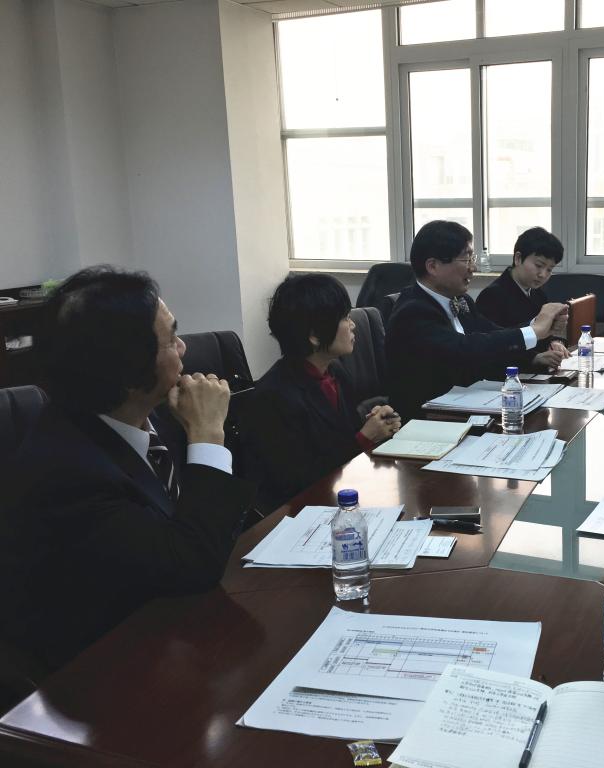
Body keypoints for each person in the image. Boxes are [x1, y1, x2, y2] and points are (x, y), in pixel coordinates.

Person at [0, 267, 254, 689]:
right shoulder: (66, 472)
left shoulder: (152, 417)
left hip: (174, 630)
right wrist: (208, 435)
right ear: (128, 369)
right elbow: (191, 566)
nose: (183, 347)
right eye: (171, 339)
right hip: (103, 677)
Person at [385, 220, 569, 418]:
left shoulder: (461, 300)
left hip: (466, 405)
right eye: (466, 260)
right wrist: (534, 331)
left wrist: (539, 326)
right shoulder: (413, 311)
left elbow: (492, 333)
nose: (473, 267)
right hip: (427, 418)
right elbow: (465, 348)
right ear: (433, 266)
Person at [248, 274, 400, 509]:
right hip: (298, 512)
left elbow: (340, 438)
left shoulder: (335, 372)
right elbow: (296, 480)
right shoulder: (274, 395)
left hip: (339, 495)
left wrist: (376, 424)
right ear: (315, 336)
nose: (353, 325)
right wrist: (363, 438)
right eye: (345, 318)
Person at [476, 228, 569, 363]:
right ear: (518, 258)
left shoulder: (537, 292)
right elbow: (492, 345)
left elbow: (543, 332)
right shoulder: (492, 296)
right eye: (539, 265)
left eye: (549, 269)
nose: (543, 274)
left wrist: (554, 342)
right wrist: (533, 358)